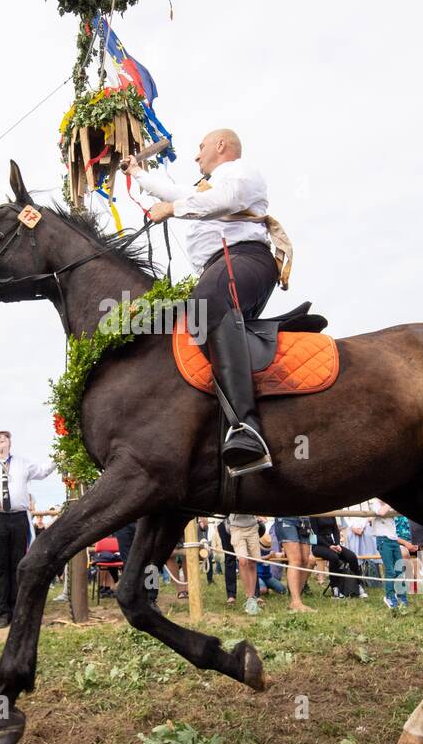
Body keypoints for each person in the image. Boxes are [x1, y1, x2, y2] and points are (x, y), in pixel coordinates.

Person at [122, 129, 282, 476]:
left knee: (205, 305)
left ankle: (246, 428)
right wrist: (138, 174)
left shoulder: (239, 172)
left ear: (221, 146)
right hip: (221, 266)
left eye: (201, 147)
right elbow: (180, 193)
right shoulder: (206, 186)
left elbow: (220, 201)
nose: (196, 156)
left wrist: (173, 209)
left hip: (243, 259)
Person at [0, 431, 56, 628]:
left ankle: (18, 608)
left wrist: (57, 458)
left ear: (10, 442)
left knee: (18, 563)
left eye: (6, 437)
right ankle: (3, 612)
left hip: (18, 517)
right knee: (0, 565)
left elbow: (43, 472)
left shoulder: (22, 462)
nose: (3, 439)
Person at [311, 516, 363, 599]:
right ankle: (335, 588)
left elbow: (336, 531)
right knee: (334, 557)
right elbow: (315, 534)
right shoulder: (314, 515)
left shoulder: (331, 513)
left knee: (352, 556)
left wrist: (338, 544)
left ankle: (357, 585)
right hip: (318, 545)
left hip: (332, 544)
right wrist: (329, 546)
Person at [272, 515, 316, 612]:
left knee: (305, 560)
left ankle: (296, 599)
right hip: (286, 516)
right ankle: (296, 601)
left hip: (304, 518)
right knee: (295, 560)